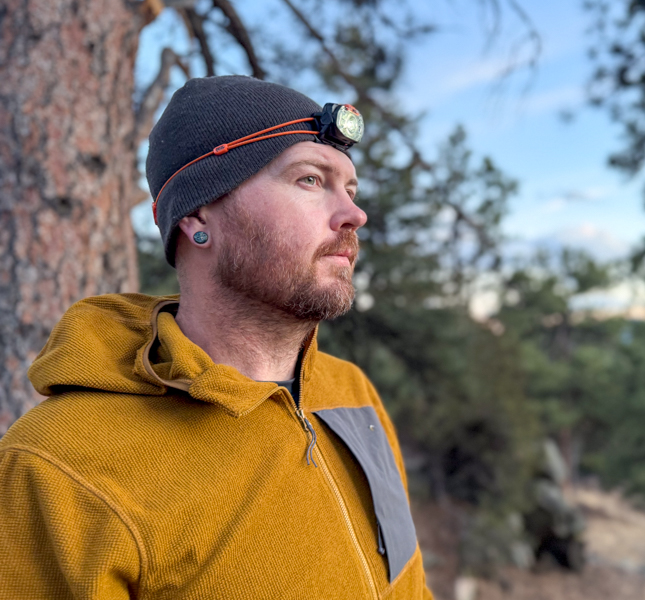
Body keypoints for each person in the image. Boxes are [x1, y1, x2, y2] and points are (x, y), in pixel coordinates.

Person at [0, 76, 432, 599]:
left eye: (350, 189)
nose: (354, 215)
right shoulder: (59, 465)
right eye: (310, 180)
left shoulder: (351, 393)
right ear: (198, 216)